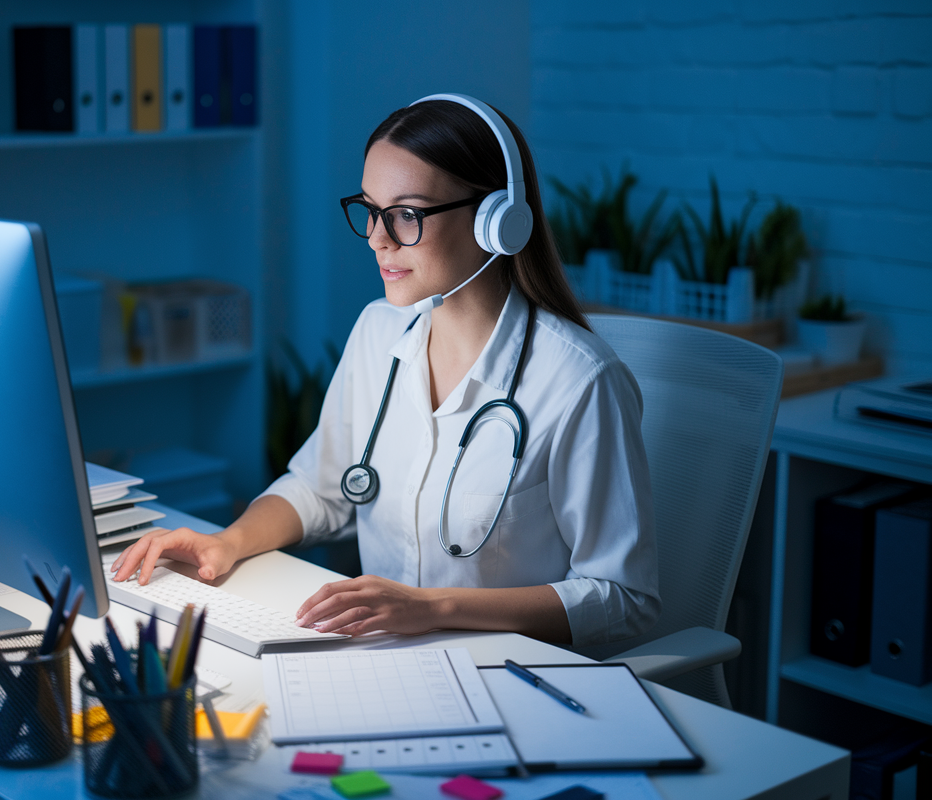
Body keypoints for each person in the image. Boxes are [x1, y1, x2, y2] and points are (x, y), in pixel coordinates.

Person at [112, 94, 658, 648]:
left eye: (408, 214)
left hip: (512, 675)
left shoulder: (580, 382)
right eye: (371, 210)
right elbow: (320, 488)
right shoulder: (379, 331)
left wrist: (433, 609)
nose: (378, 238)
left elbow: (624, 598)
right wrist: (226, 543)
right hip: (384, 655)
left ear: (499, 222)